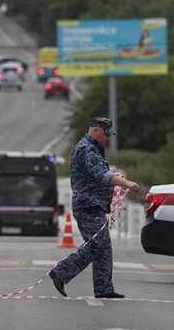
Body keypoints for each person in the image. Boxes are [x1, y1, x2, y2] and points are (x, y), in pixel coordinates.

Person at [49, 117, 141, 299]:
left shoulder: (92, 149)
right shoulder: (87, 150)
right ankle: (61, 272)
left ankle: (103, 289)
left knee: (102, 247)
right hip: (88, 206)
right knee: (98, 246)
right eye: (106, 134)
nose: (108, 139)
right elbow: (103, 175)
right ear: (97, 130)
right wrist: (126, 183)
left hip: (93, 205)